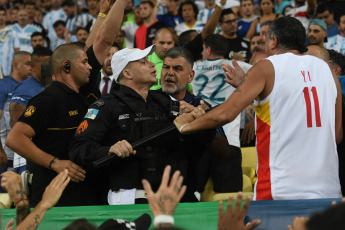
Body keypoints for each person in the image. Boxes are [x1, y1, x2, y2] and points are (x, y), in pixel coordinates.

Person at [174, 16, 343, 201]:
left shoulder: (267, 67)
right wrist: (253, 91)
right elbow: (336, 135)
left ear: (274, 41)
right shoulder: (328, 71)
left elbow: (226, 113)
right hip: (328, 191)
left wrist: (186, 126)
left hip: (281, 190)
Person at [6, 0, 127, 207]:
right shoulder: (48, 99)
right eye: (85, 63)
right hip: (56, 195)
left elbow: (101, 42)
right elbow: (14, 138)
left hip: (92, 189)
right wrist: (54, 163)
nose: (90, 66)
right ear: (67, 66)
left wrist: (103, 15)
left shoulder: (87, 88)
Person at [69, 45, 219, 204]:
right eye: (143, 62)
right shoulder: (106, 105)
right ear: (127, 73)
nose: (152, 64)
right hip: (130, 196)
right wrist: (110, 149)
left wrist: (199, 121)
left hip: (173, 194)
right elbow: (78, 149)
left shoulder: (165, 102)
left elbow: (200, 143)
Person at [161, 46, 242, 193]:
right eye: (166, 67)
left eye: (178, 68)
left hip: (188, 188)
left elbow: (223, 154)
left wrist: (201, 124)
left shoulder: (201, 107)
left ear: (191, 76)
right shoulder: (149, 101)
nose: (170, 73)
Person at [9, 47, 52, 174]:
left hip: (44, 155)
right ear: (33, 66)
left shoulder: (50, 86)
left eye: (51, 63)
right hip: (26, 158)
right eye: (46, 63)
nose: (49, 67)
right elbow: (15, 124)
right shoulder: (25, 89)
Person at [0, 51, 31, 192]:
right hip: (5, 152)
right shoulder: (3, 86)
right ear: (15, 65)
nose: (31, 67)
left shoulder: (30, 86)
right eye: (27, 63)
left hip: (21, 152)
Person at [0, 7, 15, 77]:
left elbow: (17, 50)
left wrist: (14, 70)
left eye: (3, 15)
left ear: (6, 16)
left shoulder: (12, 32)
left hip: (8, 71)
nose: (1, 17)